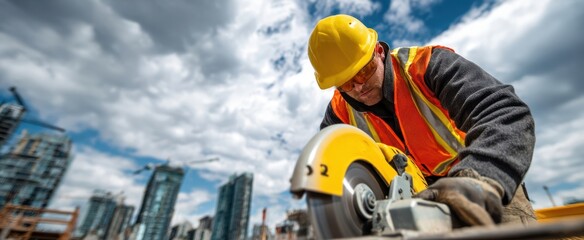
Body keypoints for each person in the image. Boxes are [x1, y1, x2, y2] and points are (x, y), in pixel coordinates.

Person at [308, 14, 537, 226]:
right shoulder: (339, 113)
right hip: (418, 197)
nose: (358, 86)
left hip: (480, 175)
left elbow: (504, 112)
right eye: (346, 84)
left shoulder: (426, 66)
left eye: (363, 71)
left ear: (378, 51)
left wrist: (479, 181)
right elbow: (330, 172)